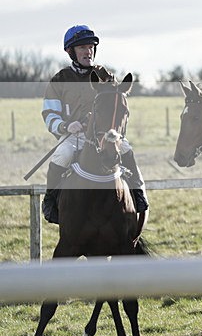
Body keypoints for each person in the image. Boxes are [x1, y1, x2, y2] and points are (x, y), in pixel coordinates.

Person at [41, 25, 149, 224]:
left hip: (105, 135)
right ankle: (51, 201)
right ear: (70, 51)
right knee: (61, 155)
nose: (88, 51)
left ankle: (139, 194)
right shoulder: (59, 79)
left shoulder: (105, 75)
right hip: (75, 136)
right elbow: (49, 114)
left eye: (90, 47)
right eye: (82, 47)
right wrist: (66, 126)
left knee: (126, 150)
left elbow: (118, 103)